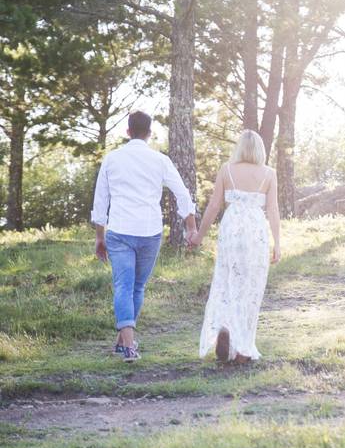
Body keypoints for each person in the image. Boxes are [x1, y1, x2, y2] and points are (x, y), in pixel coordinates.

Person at [91, 111, 198, 362]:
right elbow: (182, 194)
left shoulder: (112, 159)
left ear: (128, 132)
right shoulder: (160, 160)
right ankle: (128, 345)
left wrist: (99, 236)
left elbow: (101, 200)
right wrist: (191, 227)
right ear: (150, 133)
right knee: (137, 287)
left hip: (119, 231)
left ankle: (124, 343)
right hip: (150, 232)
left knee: (123, 286)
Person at [191, 129, 280, 364]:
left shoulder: (226, 170)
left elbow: (213, 206)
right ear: (260, 149)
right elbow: (272, 210)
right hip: (255, 232)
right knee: (251, 288)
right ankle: (242, 350)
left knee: (227, 281)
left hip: (231, 229)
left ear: (239, 148)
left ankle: (225, 327)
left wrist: (199, 236)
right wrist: (277, 243)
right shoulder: (269, 173)